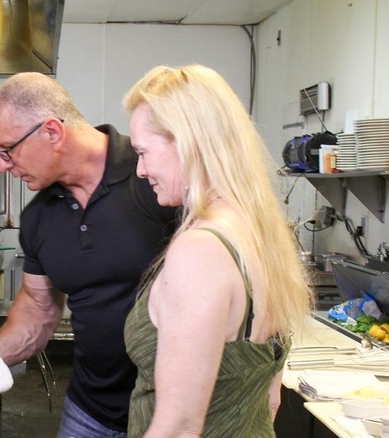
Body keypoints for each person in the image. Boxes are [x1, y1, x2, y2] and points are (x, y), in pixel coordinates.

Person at [0, 72, 178, 437]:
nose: (3, 165)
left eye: (7, 150)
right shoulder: (38, 217)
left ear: (51, 132)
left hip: (173, 411)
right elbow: (37, 309)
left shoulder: (152, 173)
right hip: (91, 412)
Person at [121, 64, 314, 437]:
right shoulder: (261, 234)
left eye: (143, 152)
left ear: (187, 142)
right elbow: (271, 399)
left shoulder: (201, 251)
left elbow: (179, 427)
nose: (141, 170)